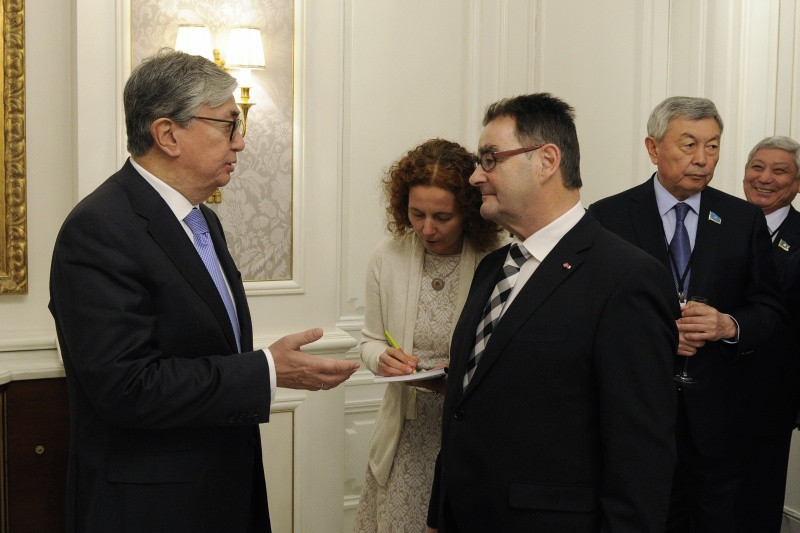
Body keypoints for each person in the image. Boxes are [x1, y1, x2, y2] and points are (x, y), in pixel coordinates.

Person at [48, 49, 359, 533]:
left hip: (221, 490)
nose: (241, 142)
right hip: (150, 507)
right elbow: (125, 387)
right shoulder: (99, 228)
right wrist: (266, 370)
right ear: (168, 134)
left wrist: (266, 370)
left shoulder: (202, 220)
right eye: (229, 125)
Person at [426, 93, 679, 532]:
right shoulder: (493, 268)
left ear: (546, 161)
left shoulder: (627, 278)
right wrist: (438, 514)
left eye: (489, 159)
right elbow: (463, 408)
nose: (474, 177)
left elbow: (640, 456)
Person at [588, 96, 786, 533]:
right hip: (635, 419)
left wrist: (728, 325)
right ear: (653, 147)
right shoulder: (609, 218)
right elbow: (589, 315)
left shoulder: (741, 219)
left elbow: (770, 309)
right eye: (689, 145)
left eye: (713, 146)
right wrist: (654, 335)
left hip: (719, 424)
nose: (702, 160)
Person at [354, 138, 503, 532]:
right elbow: (370, 340)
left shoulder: (498, 260)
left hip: (469, 437)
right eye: (416, 213)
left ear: (469, 212)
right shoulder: (388, 256)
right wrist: (381, 358)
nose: (427, 228)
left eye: (443, 216)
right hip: (404, 438)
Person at [739, 136, 800, 532]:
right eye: (757, 167)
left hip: (770, 403)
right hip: (705, 398)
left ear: (797, 184)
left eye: (779, 171)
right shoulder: (720, 222)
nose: (764, 178)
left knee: (756, 511)